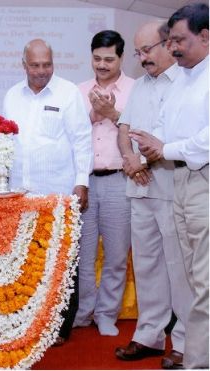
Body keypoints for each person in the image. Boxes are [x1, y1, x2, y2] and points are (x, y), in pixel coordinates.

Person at [0, 39, 92, 345]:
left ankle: (60, 326)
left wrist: (82, 182)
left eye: (47, 64)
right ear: (23, 65)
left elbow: (81, 139)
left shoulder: (68, 93)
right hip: (20, 194)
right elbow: (6, 141)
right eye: (35, 65)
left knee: (61, 262)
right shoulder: (12, 95)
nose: (41, 71)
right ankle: (27, 320)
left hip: (59, 193)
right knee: (24, 260)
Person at [130, 3, 209, 369]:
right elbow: (162, 126)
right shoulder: (186, 78)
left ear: (205, 37)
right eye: (171, 41)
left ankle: (194, 358)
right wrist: (144, 146)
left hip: (201, 180)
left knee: (200, 281)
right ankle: (194, 356)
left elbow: (204, 141)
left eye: (178, 40)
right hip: (179, 179)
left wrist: (164, 148)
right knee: (193, 278)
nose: (173, 48)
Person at [115, 21, 193, 369]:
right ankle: (148, 335)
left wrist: (142, 159)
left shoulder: (186, 82)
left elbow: (174, 137)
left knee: (179, 269)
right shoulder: (141, 86)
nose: (142, 58)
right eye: (138, 53)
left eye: (147, 50)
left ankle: (187, 341)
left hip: (170, 186)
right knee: (146, 267)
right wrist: (129, 160)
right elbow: (124, 129)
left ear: (167, 44)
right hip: (139, 187)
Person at [74, 30, 135, 336]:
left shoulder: (136, 90)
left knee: (115, 254)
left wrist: (113, 113)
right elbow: (70, 135)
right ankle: (84, 311)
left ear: (121, 58)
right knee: (83, 254)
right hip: (85, 181)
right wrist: (93, 113)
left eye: (109, 59)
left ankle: (107, 314)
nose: (102, 64)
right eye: (97, 58)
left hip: (118, 181)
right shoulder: (79, 90)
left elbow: (142, 132)